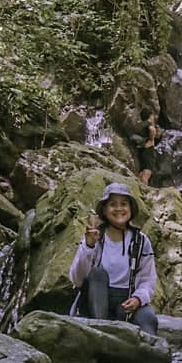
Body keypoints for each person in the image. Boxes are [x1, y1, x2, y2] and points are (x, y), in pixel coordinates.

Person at [69, 182, 159, 335]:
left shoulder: (141, 241)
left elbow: (148, 280)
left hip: (125, 302)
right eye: (112, 204)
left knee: (149, 320)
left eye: (124, 204)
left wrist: (138, 299)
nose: (119, 209)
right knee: (97, 273)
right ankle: (101, 331)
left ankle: (148, 348)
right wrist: (89, 246)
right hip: (95, 300)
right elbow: (77, 279)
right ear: (104, 210)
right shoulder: (95, 237)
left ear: (131, 209)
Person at [133, 108, 161, 186]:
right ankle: (144, 189)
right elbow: (152, 130)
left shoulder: (142, 124)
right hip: (148, 150)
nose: (154, 117)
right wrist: (152, 139)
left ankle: (139, 187)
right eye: (152, 115)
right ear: (150, 116)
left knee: (141, 172)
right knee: (147, 172)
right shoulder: (149, 124)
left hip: (141, 150)